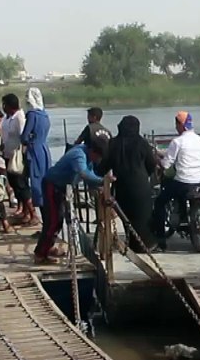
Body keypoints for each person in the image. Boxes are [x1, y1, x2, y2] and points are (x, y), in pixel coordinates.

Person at [35, 135, 110, 264]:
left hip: (62, 187)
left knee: (58, 221)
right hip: (52, 185)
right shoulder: (79, 154)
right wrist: (103, 181)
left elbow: (89, 173)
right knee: (53, 221)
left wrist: (98, 185)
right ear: (93, 151)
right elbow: (84, 173)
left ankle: (48, 247)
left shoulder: (88, 156)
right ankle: (40, 254)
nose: (98, 159)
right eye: (98, 156)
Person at [153, 111, 200, 250]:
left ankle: (161, 241)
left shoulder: (177, 142)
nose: (175, 127)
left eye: (176, 124)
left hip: (182, 183)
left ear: (181, 125)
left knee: (159, 202)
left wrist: (158, 159)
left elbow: (166, 165)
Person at [100, 115, 158, 251]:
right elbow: (151, 164)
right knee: (142, 216)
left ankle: (132, 243)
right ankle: (146, 245)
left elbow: (103, 167)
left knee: (127, 217)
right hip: (141, 186)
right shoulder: (142, 143)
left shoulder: (113, 144)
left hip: (122, 187)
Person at [1, 93, 35, 226]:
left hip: (17, 157)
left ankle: (32, 213)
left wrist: (23, 155)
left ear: (9, 105)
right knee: (15, 185)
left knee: (22, 185)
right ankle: (23, 211)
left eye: (4, 104)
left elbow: (24, 137)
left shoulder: (19, 118)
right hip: (8, 154)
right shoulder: (8, 118)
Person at [22, 88, 53, 231]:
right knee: (46, 184)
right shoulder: (45, 115)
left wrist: (27, 140)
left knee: (37, 185)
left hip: (34, 151)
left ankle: (45, 225)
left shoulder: (32, 115)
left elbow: (24, 136)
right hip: (44, 150)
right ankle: (48, 223)